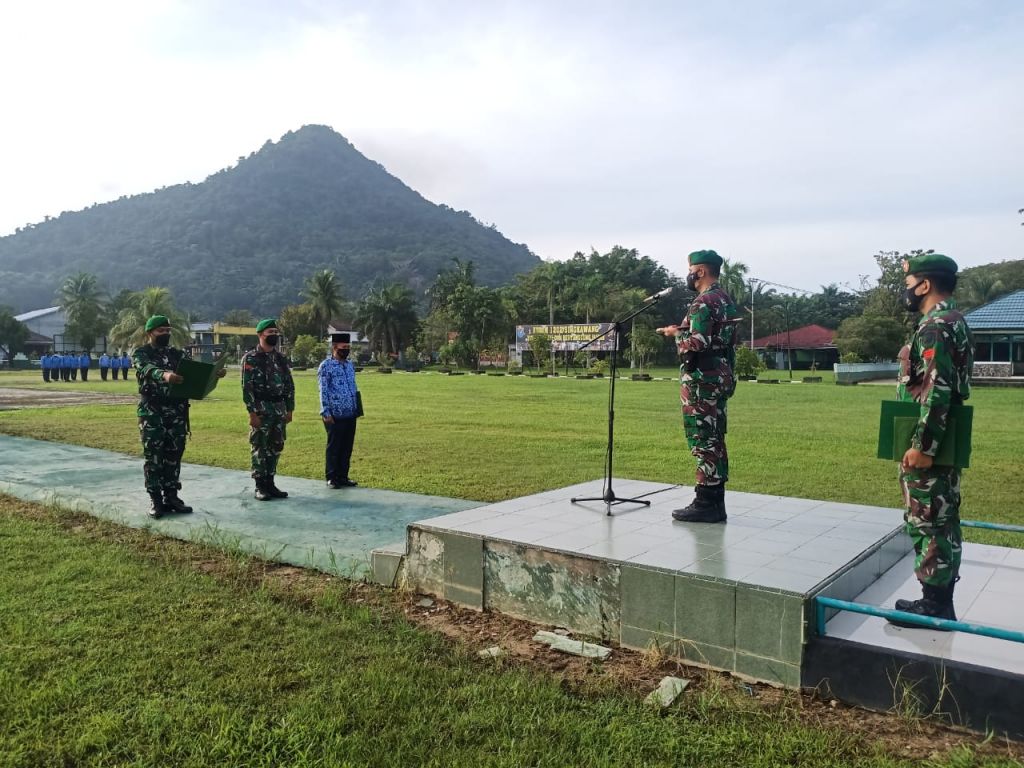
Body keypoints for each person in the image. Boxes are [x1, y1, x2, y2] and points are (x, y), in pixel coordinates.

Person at [888, 253, 973, 628]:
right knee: (942, 517)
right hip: (944, 437)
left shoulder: (935, 326)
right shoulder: (952, 321)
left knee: (929, 518)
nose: (905, 292)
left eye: (908, 285)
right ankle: (938, 600)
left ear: (924, 285)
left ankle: (934, 606)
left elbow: (937, 390)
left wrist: (923, 446)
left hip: (931, 442)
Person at [656, 249, 739, 523]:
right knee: (715, 438)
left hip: (701, 379)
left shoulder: (703, 302)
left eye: (691, 269)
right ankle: (715, 500)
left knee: (703, 439)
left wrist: (676, 335)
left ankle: (706, 503)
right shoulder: (725, 299)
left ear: (700, 271)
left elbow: (696, 344)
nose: (689, 275)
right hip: (720, 376)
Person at [134, 315, 226, 518]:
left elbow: (193, 372)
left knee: (174, 455)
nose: (165, 334)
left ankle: (172, 497)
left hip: (176, 411)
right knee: (154, 457)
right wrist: (164, 375)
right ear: (150, 333)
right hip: (152, 412)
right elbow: (146, 369)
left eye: (168, 330)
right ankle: (156, 500)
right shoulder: (142, 353)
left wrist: (213, 373)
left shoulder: (176, 354)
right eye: (161, 331)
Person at [242, 318, 295, 501]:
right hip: (261, 409)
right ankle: (260, 485)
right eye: (270, 332)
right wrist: (252, 412)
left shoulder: (281, 358)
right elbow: (247, 387)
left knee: (276, 446)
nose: (274, 335)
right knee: (259, 447)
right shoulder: (251, 358)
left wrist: (290, 409)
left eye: (275, 332)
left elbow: (289, 385)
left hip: (279, 408)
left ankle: (271, 483)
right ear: (260, 335)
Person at [318, 332, 361, 488]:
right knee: (334, 447)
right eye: (343, 347)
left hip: (350, 412)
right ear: (334, 347)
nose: (346, 350)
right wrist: (325, 411)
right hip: (334, 414)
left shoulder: (349, 365)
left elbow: (353, 386)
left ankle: (343, 476)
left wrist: (356, 407)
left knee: (346, 446)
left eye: (348, 347)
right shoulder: (326, 366)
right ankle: (332, 477)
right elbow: (323, 390)